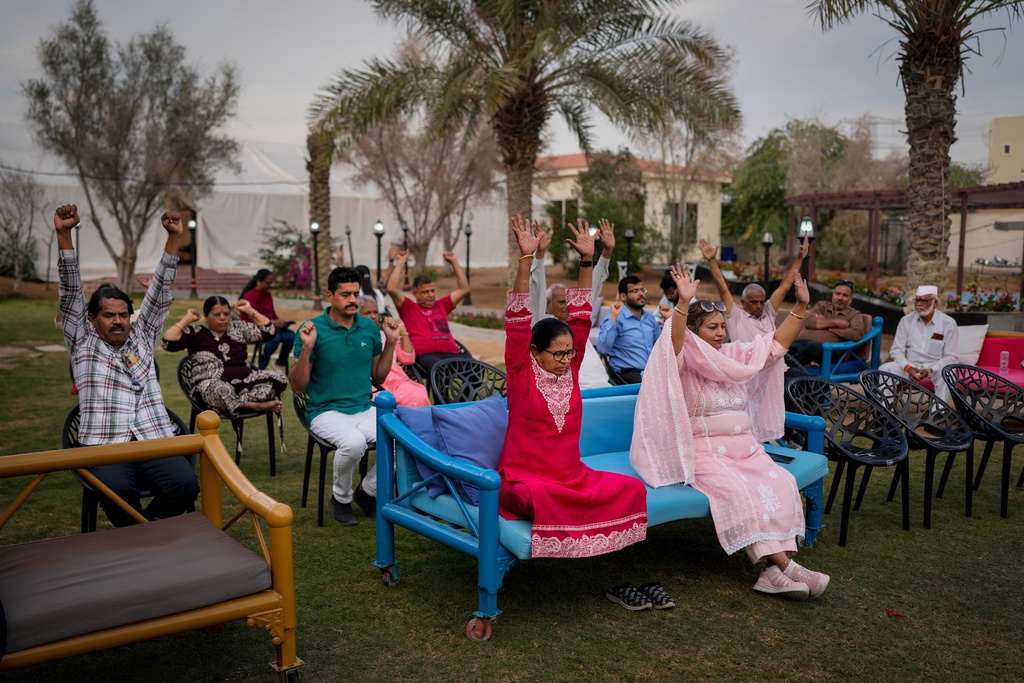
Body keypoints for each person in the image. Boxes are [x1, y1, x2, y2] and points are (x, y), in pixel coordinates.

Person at [630, 263, 829, 600]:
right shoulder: (683, 362)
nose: (721, 332)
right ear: (695, 332)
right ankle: (787, 568)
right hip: (706, 453)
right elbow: (673, 343)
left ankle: (771, 572)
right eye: (712, 327)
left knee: (779, 482)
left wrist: (799, 307)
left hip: (747, 451)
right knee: (741, 492)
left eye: (723, 325)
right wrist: (682, 305)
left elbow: (775, 346)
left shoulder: (734, 355)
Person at [500, 214, 648, 566]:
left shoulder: (572, 365)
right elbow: (518, 317)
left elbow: (582, 313)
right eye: (559, 353)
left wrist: (588, 259)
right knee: (539, 497)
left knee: (631, 488)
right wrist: (526, 259)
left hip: (572, 477)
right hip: (526, 480)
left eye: (571, 352)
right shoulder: (521, 371)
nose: (568, 359)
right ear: (536, 352)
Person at [55, 203, 198, 528]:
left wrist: (173, 239)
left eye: (123, 314)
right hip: (103, 442)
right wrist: (64, 234)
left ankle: (141, 535)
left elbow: (160, 291)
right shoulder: (81, 339)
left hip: (152, 436)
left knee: (185, 485)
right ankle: (144, 539)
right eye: (109, 315)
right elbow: (69, 290)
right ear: (92, 319)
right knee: (118, 491)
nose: (118, 321)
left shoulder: (143, 335)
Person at [290, 267, 400, 526]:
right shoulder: (312, 329)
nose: (352, 300)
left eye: (355, 293)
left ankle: (367, 492)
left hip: (363, 407)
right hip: (324, 411)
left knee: (402, 441)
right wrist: (307, 349)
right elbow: (297, 386)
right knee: (354, 442)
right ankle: (340, 499)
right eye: (345, 294)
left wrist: (392, 342)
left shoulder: (369, 328)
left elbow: (379, 376)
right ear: (330, 295)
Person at [162, 296, 287, 416]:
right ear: (206, 316)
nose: (223, 318)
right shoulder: (196, 332)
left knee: (278, 378)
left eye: (226, 314)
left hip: (245, 385)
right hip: (212, 385)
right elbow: (167, 343)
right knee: (216, 389)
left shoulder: (238, 328)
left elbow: (270, 332)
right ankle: (254, 405)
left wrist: (249, 310)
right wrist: (187, 319)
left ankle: (229, 404)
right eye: (217, 315)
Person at [529, 217, 614, 389]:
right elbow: (536, 290)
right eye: (561, 302)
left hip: (605, 387)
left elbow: (593, 287)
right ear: (548, 304)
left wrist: (606, 252)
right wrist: (539, 256)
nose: (567, 305)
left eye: (569, 301)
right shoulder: (543, 325)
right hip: (578, 392)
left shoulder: (578, 324)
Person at [699, 237, 809, 343]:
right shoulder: (736, 316)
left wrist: (799, 258)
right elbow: (723, 290)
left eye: (762, 302)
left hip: (775, 360)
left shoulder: (768, 311)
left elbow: (784, 287)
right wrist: (712, 260)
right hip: (749, 362)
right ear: (743, 302)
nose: (759, 306)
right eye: (754, 302)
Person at [387, 249, 471, 372]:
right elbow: (392, 289)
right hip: (426, 356)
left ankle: (466, 392)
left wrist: (454, 262)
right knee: (440, 369)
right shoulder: (409, 307)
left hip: (452, 354)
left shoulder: (442, 305)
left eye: (432, 291)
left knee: (475, 368)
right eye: (426, 292)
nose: (431, 295)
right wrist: (400, 262)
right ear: (415, 293)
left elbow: (464, 289)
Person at [880, 285, 960, 403]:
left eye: (924, 301)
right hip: (910, 366)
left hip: (935, 367)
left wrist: (930, 370)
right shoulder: (906, 321)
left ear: (935, 303)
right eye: (917, 300)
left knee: (948, 374)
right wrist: (908, 367)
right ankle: (885, 410)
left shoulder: (948, 323)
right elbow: (896, 350)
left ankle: (937, 413)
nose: (919, 304)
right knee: (885, 369)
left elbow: (951, 356)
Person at [358, 295, 430, 407]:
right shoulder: (355, 338)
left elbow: (408, 359)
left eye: (375, 312)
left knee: (418, 397)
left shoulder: (386, 335)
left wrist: (403, 331)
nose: (373, 316)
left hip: (398, 383)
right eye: (367, 313)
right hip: (373, 386)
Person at [596, 275, 662, 384]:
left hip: (650, 371)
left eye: (642, 290)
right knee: (653, 385)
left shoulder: (649, 318)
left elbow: (660, 345)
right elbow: (603, 349)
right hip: (627, 373)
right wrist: (613, 319)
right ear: (623, 296)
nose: (641, 294)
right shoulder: (615, 319)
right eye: (635, 291)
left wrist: (668, 320)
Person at [787, 279, 867, 366]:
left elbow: (857, 334)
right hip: (803, 343)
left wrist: (823, 323)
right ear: (833, 295)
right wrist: (837, 323)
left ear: (851, 299)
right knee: (784, 345)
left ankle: (789, 367)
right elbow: (808, 322)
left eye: (845, 295)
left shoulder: (854, 314)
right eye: (838, 294)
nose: (840, 298)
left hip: (830, 352)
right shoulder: (822, 306)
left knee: (810, 348)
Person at [239, 269, 295, 370]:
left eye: (271, 283)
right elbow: (249, 319)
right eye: (267, 283)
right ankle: (261, 366)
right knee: (274, 338)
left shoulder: (268, 295)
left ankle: (279, 364)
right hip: (255, 328)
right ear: (258, 281)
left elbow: (272, 314)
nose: (270, 285)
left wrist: (281, 323)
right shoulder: (251, 295)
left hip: (271, 327)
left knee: (291, 336)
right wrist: (273, 323)